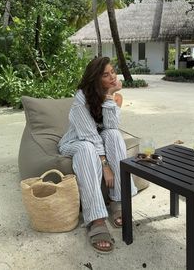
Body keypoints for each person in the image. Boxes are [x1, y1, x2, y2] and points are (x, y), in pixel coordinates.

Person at [58, 56, 137, 253]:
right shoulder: (81, 98)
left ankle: (118, 200)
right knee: (86, 148)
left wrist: (110, 95)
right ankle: (96, 219)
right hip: (75, 142)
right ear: (95, 79)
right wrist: (105, 165)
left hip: (97, 141)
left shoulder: (115, 96)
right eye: (105, 75)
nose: (112, 77)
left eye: (113, 72)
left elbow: (110, 126)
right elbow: (89, 136)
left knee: (114, 135)